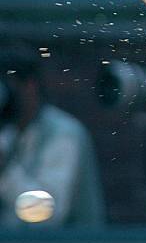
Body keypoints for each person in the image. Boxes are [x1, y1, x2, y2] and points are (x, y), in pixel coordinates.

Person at [0, 48, 105, 228]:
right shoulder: (9, 132)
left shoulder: (63, 133)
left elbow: (48, 215)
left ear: (30, 86)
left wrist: (5, 170)